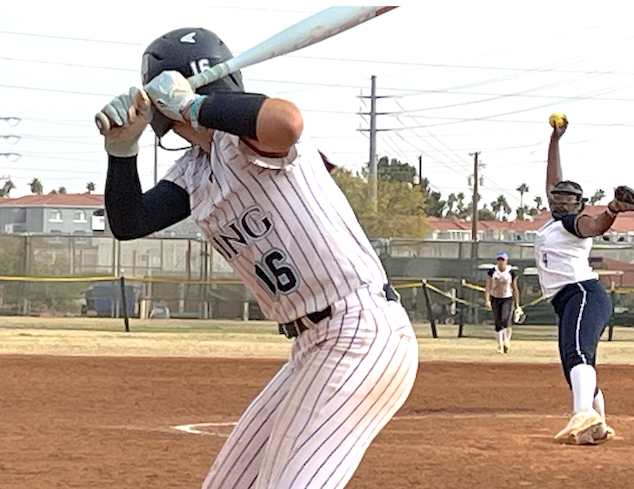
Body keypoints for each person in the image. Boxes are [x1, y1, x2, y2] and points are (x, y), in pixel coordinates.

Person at [98, 27, 418, 488]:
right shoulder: (195, 169)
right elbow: (129, 222)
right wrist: (121, 151)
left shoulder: (247, 143)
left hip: (360, 331)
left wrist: (191, 106)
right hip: (313, 346)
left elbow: (286, 122)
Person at [534, 115, 634, 445]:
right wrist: (555, 141)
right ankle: (598, 426)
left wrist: (611, 209)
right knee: (576, 363)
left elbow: (594, 225)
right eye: (557, 197)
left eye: (568, 197)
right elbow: (554, 181)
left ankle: (582, 414)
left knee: (577, 355)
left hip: (582, 293)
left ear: (578, 204)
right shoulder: (554, 222)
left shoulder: (573, 223)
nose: (560, 199)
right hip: (569, 299)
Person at [484, 252, 520, 354]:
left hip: (507, 298)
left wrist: (517, 305)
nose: (501, 262)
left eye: (502, 260)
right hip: (495, 298)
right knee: (498, 322)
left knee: (505, 319)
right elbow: (488, 287)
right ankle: (500, 344)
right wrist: (487, 300)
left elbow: (515, 288)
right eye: (499, 260)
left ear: (506, 261)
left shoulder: (511, 273)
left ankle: (506, 341)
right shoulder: (492, 272)